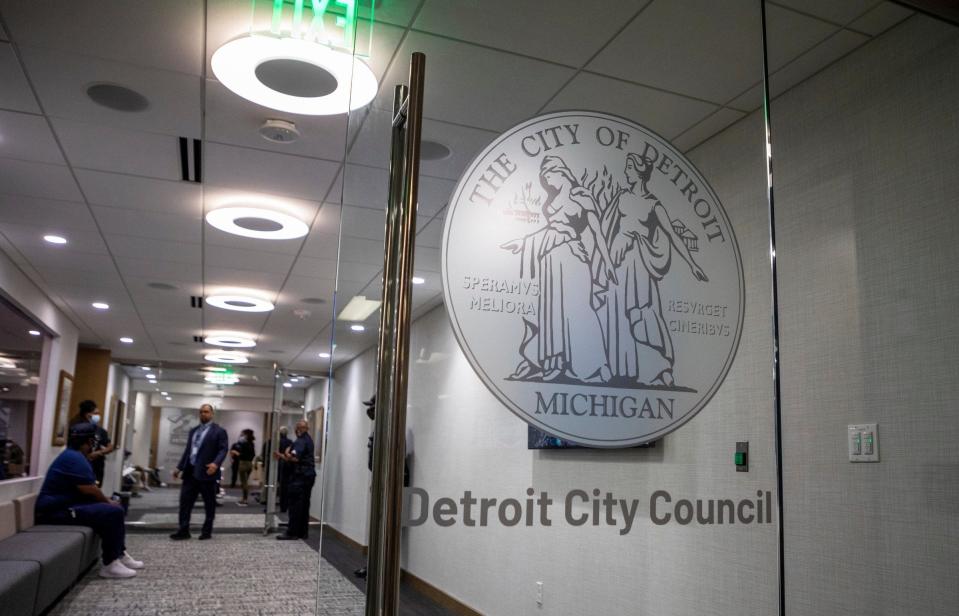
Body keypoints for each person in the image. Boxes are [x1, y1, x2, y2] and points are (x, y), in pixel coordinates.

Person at [501, 155, 617, 384]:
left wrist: (608, 263)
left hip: (572, 257)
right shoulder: (552, 199)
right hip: (550, 259)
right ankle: (555, 362)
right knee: (552, 311)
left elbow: (597, 232)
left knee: (580, 310)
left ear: (561, 172)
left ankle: (596, 366)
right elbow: (549, 230)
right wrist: (524, 243)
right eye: (544, 179)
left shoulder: (582, 196)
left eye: (549, 177)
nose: (548, 183)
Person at [604, 153, 708, 386]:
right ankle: (626, 369)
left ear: (640, 171)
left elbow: (672, 234)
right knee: (621, 314)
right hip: (620, 262)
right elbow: (605, 230)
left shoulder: (653, 204)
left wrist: (692, 264)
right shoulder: (621, 198)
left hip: (640, 263)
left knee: (643, 312)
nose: (626, 171)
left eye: (629, 167)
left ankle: (660, 368)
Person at [35, 423, 144, 579]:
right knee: (112, 511)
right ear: (86, 442)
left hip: (68, 505)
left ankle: (119, 554)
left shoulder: (74, 455)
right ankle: (110, 564)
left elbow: (89, 489)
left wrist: (107, 501)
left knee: (112, 508)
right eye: (92, 441)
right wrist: (107, 502)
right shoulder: (73, 458)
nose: (94, 444)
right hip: (54, 512)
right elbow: (89, 489)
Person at [169, 403, 228, 540]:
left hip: (208, 473)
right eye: (201, 412)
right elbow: (188, 452)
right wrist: (179, 468)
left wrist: (216, 463)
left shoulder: (219, 431)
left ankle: (206, 531)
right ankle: (183, 530)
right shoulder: (193, 431)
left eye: (206, 412)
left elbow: (223, 449)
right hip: (190, 473)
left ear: (212, 414)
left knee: (209, 504)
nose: (203, 414)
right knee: (185, 503)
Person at [275, 419, 315, 540]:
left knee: (295, 505)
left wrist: (283, 455)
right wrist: (287, 454)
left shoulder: (301, 441)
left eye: (298, 428)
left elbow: (295, 458)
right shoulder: (308, 440)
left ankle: (292, 532)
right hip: (308, 476)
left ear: (298, 429)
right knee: (304, 505)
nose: (297, 430)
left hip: (300, 477)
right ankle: (302, 532)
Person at [71, 400, 114, 486]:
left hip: (97, 466)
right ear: (88, 414)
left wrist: (99, 453)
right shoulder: (78, 429)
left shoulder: (101, 431)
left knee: (96, 488)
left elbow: (110, 447)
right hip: (81, 465)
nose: (98, 416)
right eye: (95, 413)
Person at [228, 429, 256, 506]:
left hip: (243, 464)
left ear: (246, 435)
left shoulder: (244, 444)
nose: (241, 435)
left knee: (244, 483)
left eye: (242, 434)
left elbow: (243, 455)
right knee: (245, 482)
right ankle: (244, 498)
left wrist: (236, 453)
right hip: (250, 464)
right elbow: (253, 454)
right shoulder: (252, 444)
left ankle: (245, 499)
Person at [277, 426, 293, 513]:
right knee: (285, 487)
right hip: (288, 466)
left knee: (281, 486)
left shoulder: (277, 442)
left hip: (280, 465)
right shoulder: (290, 442)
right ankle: (285, 505)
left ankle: (282, 506)